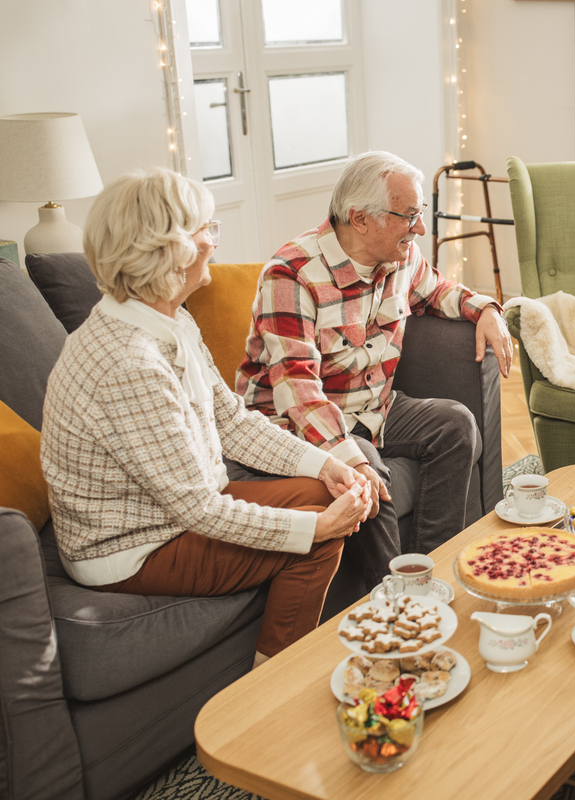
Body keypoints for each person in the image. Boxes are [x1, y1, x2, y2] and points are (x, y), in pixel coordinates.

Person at [41, 168, 370, 667]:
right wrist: (316, 529)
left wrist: (324, 464)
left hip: (176, 508)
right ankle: (269, 689)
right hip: (133, 546)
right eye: (207, 231)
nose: (214, 242)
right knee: (318, 535)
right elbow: (198, 510)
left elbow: (230, 420)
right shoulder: (129, 363)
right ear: (171, 249)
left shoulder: (170, 318)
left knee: (328, 491)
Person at [237, 151, 513, 557]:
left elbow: (437, 290)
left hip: (375, 410)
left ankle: (434, 564)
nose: (419, 227)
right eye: (407, 216)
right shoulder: (292, 275)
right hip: (303, 423)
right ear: (360, 218)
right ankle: (394, 596)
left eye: (419, 213)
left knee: (456, 425)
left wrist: (486, 309)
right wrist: (352, 458)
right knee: (367, 477)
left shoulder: (399, 256)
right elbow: (297, 391)